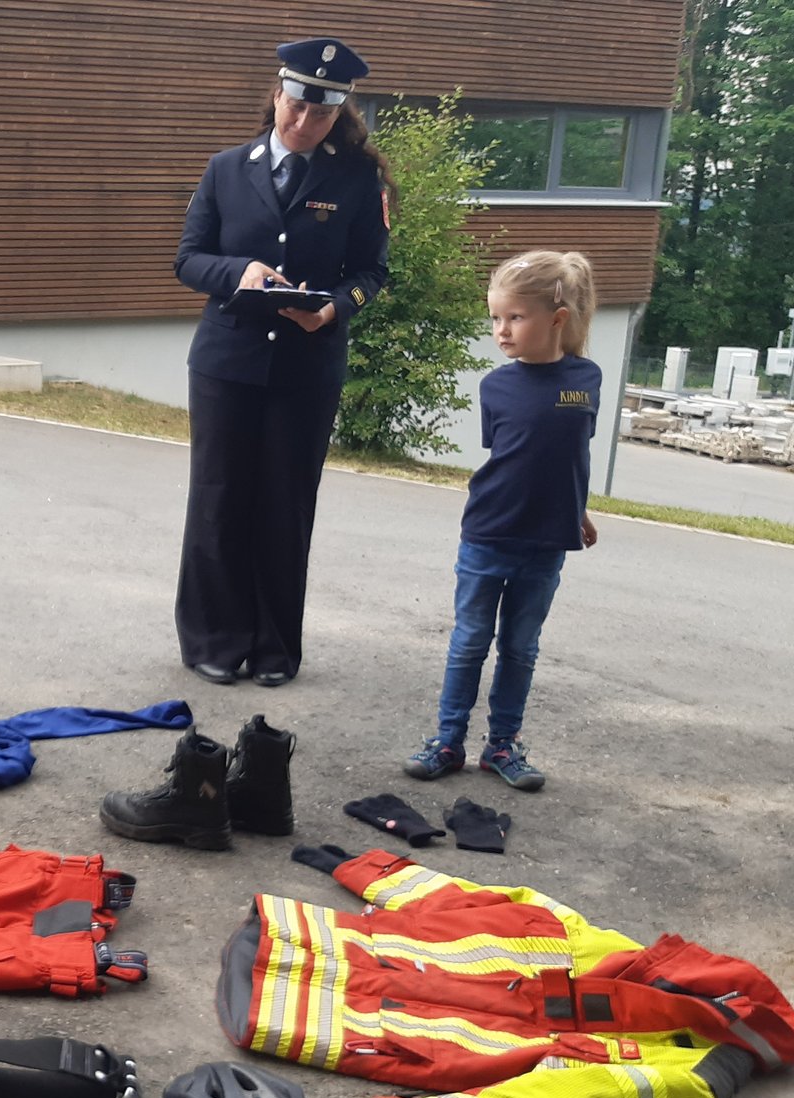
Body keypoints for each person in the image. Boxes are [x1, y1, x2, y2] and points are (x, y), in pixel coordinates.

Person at [172, 37, 391, 688]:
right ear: (276, 95)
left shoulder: (355, 180)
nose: (303, 122)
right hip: (226, 363)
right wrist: (241, 271)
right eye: (295, 106)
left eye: (320, 114)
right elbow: (187, 260)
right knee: (218, 500)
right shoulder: (225, 170)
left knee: (285, 505)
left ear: (338, 115)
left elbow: (372, 273)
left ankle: (273, 648)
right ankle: (214, 638)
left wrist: (333, 310)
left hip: (306, 369)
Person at [404, 251, 602, 793]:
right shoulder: (496, 385)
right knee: (470, 641)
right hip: (488, 533)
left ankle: (502, 746)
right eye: (496, 318)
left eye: (514, 317)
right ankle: (447, 741)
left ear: (556, 319)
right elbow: (511, 456)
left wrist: (576, 508)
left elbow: (568, 454)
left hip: (547, 542)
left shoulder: (587, 379)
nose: (501, 330)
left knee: (521, 646)